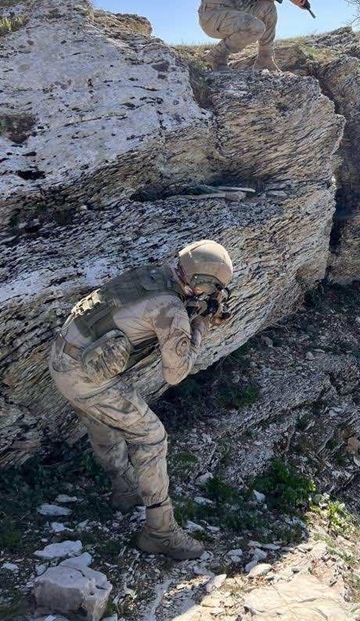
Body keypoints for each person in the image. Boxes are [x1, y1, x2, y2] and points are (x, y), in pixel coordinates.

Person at [49, 240, 233, 560]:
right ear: (201, 282)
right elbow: (175, 372)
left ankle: (124, 488)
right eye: (209, 287)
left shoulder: (153, 275)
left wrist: (192, 311)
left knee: (101, 416)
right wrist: (201, 325)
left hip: (64, 356)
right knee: (151, 436)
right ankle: (160, 532)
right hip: (84, 376)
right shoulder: (171, 309)